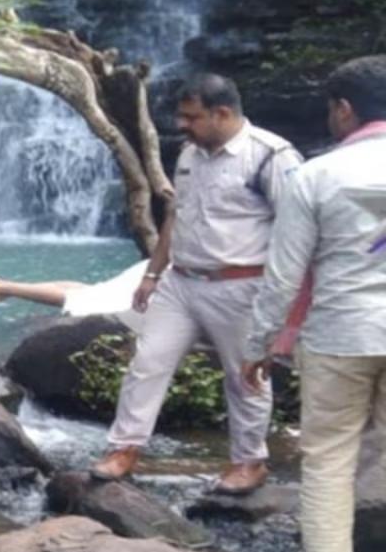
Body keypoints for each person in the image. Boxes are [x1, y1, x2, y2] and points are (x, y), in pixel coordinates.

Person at [89, 73, 303, 495]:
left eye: (191, 117)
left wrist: (283, 303)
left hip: (240, 286)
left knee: (244, 376)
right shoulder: (190, 153)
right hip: (181, 283)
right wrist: (153, 273)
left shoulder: (272, 157)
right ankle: (124, 448)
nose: (181, 125)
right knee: (147, 363)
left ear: (222, 113)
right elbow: (177, 215)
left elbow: (297, 231)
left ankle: (249, 461)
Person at [242, 55, 386, 552]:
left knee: (329, 457)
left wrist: (258, 346)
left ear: (344, 110)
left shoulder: (315, 175)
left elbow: (283, 276)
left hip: (340, 335)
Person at [0, 260, 149, 329]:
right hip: (160, 271)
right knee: (87, 299)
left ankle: (4, 288)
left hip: (156, 267)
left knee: (94, 292)